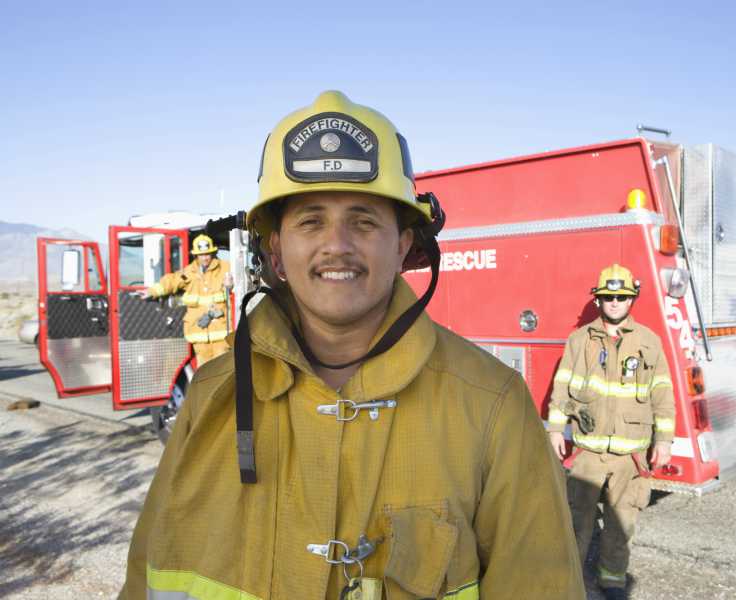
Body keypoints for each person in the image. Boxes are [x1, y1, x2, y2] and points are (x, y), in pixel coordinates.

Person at [120, 90, 584, 599]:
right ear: (275, 250)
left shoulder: (493, 405)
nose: (336, 243)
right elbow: (149, 576)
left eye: (363, 220)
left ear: (404, 244)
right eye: (310, 220)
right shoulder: (212, 396)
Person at [547, 264, 675, 599]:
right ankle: (568, 579)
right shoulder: (580, 340)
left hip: (630, 455)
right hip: (588, 451)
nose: (615, 302)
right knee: (576, 521)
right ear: (599, 299)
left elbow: (663, 392)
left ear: (632, 299)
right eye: (608, 296)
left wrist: (663, 440)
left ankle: (613, 580)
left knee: (622, 522)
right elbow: (562, 386)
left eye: (621, 296)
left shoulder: (649, 341)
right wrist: (556, 429)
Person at [140, 234, 233, 366]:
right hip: (199, 331)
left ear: (213, 253)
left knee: (223, 371)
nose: (205, 258)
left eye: (208, 254)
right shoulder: (189, 272)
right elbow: (171, 281)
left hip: (221, 332)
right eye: (201, 254)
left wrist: (231, 283)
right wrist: (152, 291)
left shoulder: (226, 268)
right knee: (204, 374)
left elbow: (243, 280)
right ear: (196, 256)